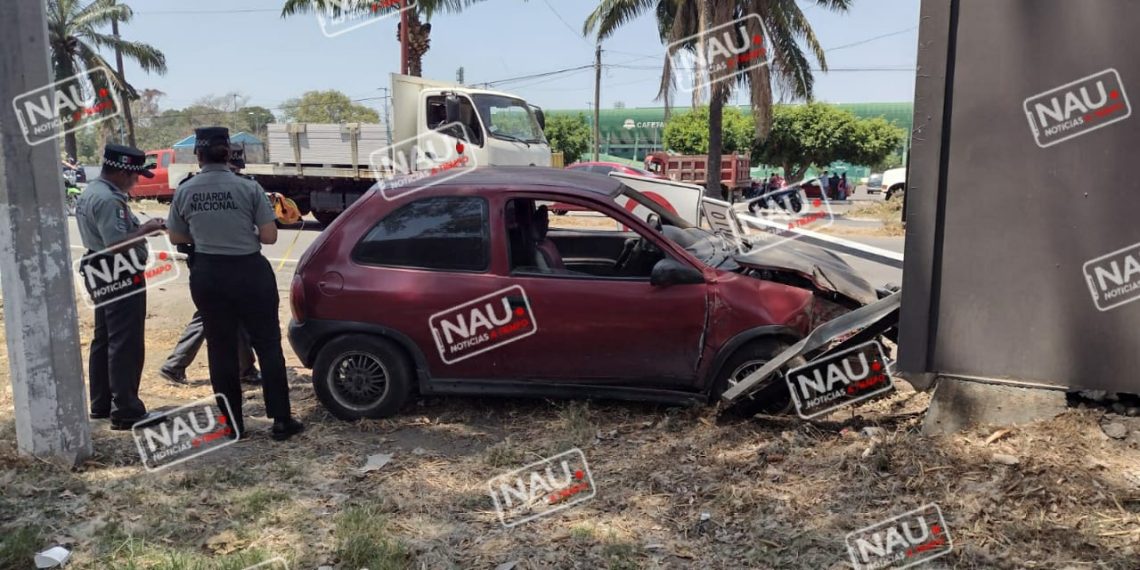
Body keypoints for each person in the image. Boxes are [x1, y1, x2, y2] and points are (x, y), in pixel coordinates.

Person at [166, 127, 304, 441]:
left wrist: (205, 238)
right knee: (268, 346)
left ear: (197, 155)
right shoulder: (248, 187)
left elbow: (176, 236)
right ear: (229, 153)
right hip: (250, 272)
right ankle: (281, 420)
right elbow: (269, 236)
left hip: (209, 275)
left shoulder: (186, 189)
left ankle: (232, 424)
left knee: (221, 349)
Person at [75, 144, 162, 430]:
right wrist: (146, 231)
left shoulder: (91, 192)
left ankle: (101, 403)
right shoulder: (110, 200)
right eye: (135, 176)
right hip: (117, 270)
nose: (136, 182)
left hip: (98, 266)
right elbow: (116, 245)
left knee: (105, 337)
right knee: (125, 341)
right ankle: (127, 410)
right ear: (123, 172)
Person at [160, 144, 261, 386]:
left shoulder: (201, 186)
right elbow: (180, 232)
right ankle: (174, 365)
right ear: (228, 162)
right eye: (234, 168)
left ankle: (245, 368)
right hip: (211, 261)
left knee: (231, 315)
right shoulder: (209, 186)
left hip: (212, 262)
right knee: (210, 315)